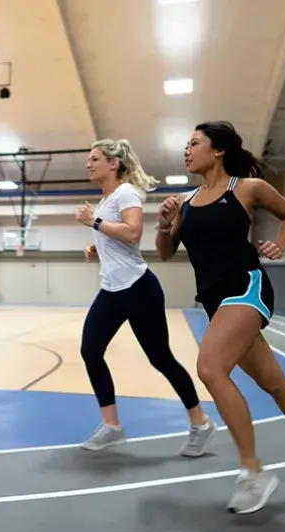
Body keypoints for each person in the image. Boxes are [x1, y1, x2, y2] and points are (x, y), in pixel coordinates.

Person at [155, 121, 285, 514]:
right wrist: (163, 224)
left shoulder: (246, 188)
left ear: (218, 151)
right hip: (215, 302)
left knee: (210, 368)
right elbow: (164, 251)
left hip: (246, 289)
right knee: (274, 383)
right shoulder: (185, 202)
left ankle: (253, 471)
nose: (187, 150)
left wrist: (279, 245)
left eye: (195, 143)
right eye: (187, 144)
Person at [74, 138, 216, 456]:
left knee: (160, 358)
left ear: (114, 163)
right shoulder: (106, 198)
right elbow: (121, 238)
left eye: (94, 158)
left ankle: (201, 423)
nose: (88, 163)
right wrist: (98, 248)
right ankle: (111, 426)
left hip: (139, 288)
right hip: (111, 290)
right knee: (90, 351)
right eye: (88, 158)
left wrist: (93, 222)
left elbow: (134, 232)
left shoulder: (125, 192)